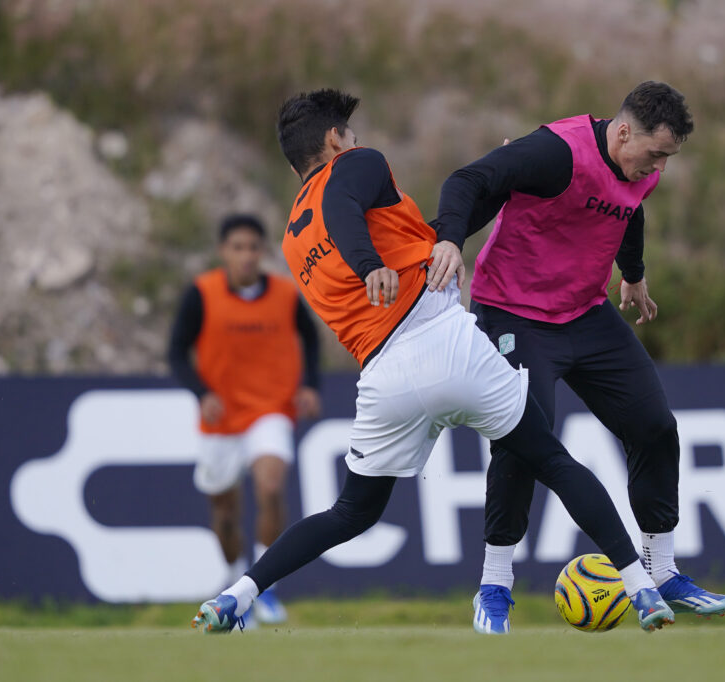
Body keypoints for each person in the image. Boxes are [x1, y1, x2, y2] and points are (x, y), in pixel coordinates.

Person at [191, 88, 676, 635]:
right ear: (335, 140)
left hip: (385, 379)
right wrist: (369, 265)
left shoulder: (291, 241)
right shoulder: (356, 165)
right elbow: (343, 207)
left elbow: (408, 235)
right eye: (352, 135)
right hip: (444, 342)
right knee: (553, 461)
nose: (359, 142)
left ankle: (235, 596)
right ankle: (641, 589)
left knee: (350, 512)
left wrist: (505, 179)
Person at [427, 80, 725, 633]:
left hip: (585, 314)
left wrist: (633, 274)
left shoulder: (641, 169)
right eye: (656, 153)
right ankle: (494, 586)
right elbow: (468, 180)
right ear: (623, 133)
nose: (660, 167)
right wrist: (450, 238)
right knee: (524, 441)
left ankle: (662, 570)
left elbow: (630, 211)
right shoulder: (557, 152)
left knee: (655, 426)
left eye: (668, 156)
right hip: (513, 313)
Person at [169, 213, 322, 626]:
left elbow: (310, 338)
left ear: (262, 251)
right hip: (221, 419)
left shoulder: (285, 294)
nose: (246, 255)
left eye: (253, 247)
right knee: (224, 515)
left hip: (271, 409)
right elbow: (177, 352)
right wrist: (202, 393)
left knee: (270, 486)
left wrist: (310, 385)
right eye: (238, 247)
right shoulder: (202, 293)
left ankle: (263, 588)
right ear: (224, 251)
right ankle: (234, 582)